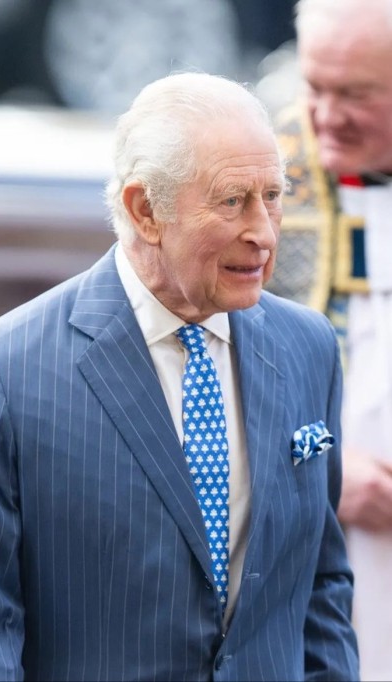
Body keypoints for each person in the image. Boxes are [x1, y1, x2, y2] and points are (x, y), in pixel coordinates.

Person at [0, 71, 359, 680]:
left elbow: (320, 583)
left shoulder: (306, 346)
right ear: (145, 210)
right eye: (232, 201)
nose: (263, 231)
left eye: (273, 195)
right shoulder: (7, 369)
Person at [266, 0, 392, 678]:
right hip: (304, 560)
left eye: (356, 94)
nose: (323, 116)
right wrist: (321, 470)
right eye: (313, 86)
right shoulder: (257, 171)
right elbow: (205, 369)